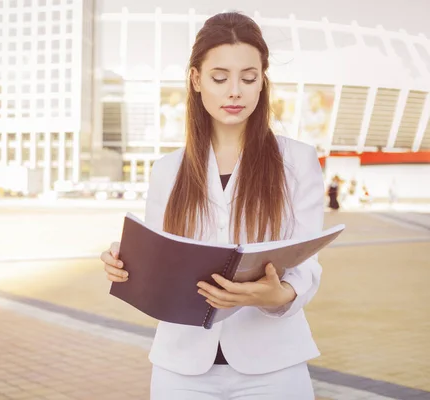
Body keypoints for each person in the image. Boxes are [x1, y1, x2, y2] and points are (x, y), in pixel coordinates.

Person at [100, 12, 324, 399]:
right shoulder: (167, 170)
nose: (234, 91)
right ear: (196, 79)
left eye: (248, 78)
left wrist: (278, 295)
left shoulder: (298, 161)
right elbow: (159, 256)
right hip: (181, 369)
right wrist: (127, 266)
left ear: (262, 83)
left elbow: (306, 261)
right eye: (220, 78)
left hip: (273, 368)